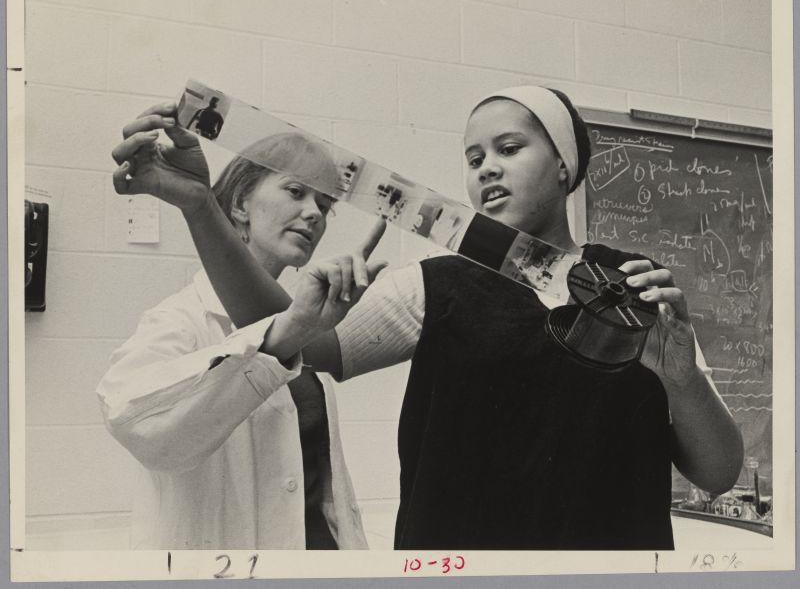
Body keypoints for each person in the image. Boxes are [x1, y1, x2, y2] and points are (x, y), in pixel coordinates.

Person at [110, 87, 743, 550]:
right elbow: (287, 333)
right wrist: (200, 207)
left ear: (565, 165)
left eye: (509, 147)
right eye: (473, 159)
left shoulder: (638, 294)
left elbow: (717, 474)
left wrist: (682, 378)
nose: (486, 167)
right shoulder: (435, 284)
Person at [98, 116, 388, 550]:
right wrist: (280, 339)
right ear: (239, 205)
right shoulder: (181, 319)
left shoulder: (308, 322)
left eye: (324, 205)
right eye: (296, 191)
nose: (313, 213)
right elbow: (137, 425)